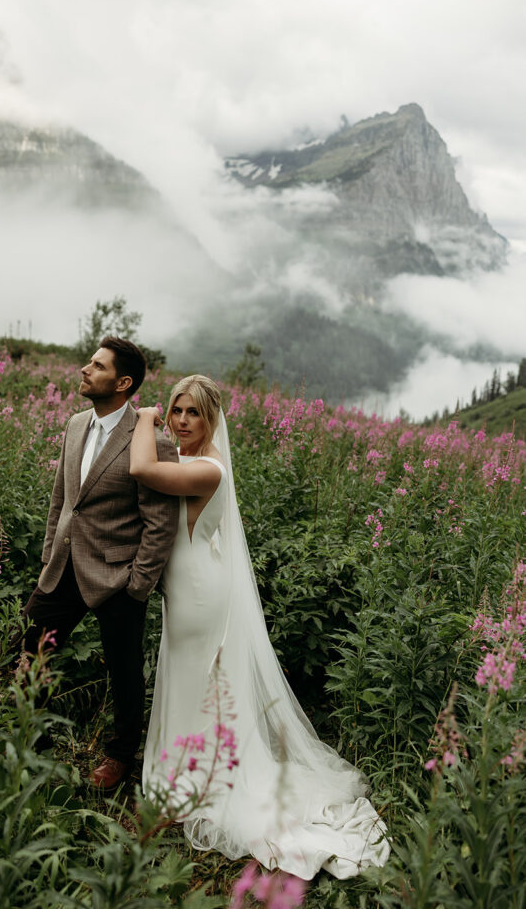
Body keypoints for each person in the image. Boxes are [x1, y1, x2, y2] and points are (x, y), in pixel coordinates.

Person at [129, 375, 390, 880]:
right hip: (183, 591)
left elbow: (140, 467)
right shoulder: (185, 462)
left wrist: (144, 417)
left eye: (192, 414)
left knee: (199, 682)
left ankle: (197, 781)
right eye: (176, 411)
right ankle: (180, 776)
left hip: (200, 595)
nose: (180, 421)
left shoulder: (208, 469)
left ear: (212, 421)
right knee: (185, 680)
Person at [20, 337, 179, 789]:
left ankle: (120, 756)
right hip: (63, 567)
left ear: (123, 382)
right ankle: (31, 743)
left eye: (97, 365)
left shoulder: (150, 441)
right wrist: (50, 553)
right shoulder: (74, 425)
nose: (85, 370)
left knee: (124, 670)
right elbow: (62, 500)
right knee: (31, 653)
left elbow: (159, 522)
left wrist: (138, 583)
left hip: (117, 575)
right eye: (89, 362)